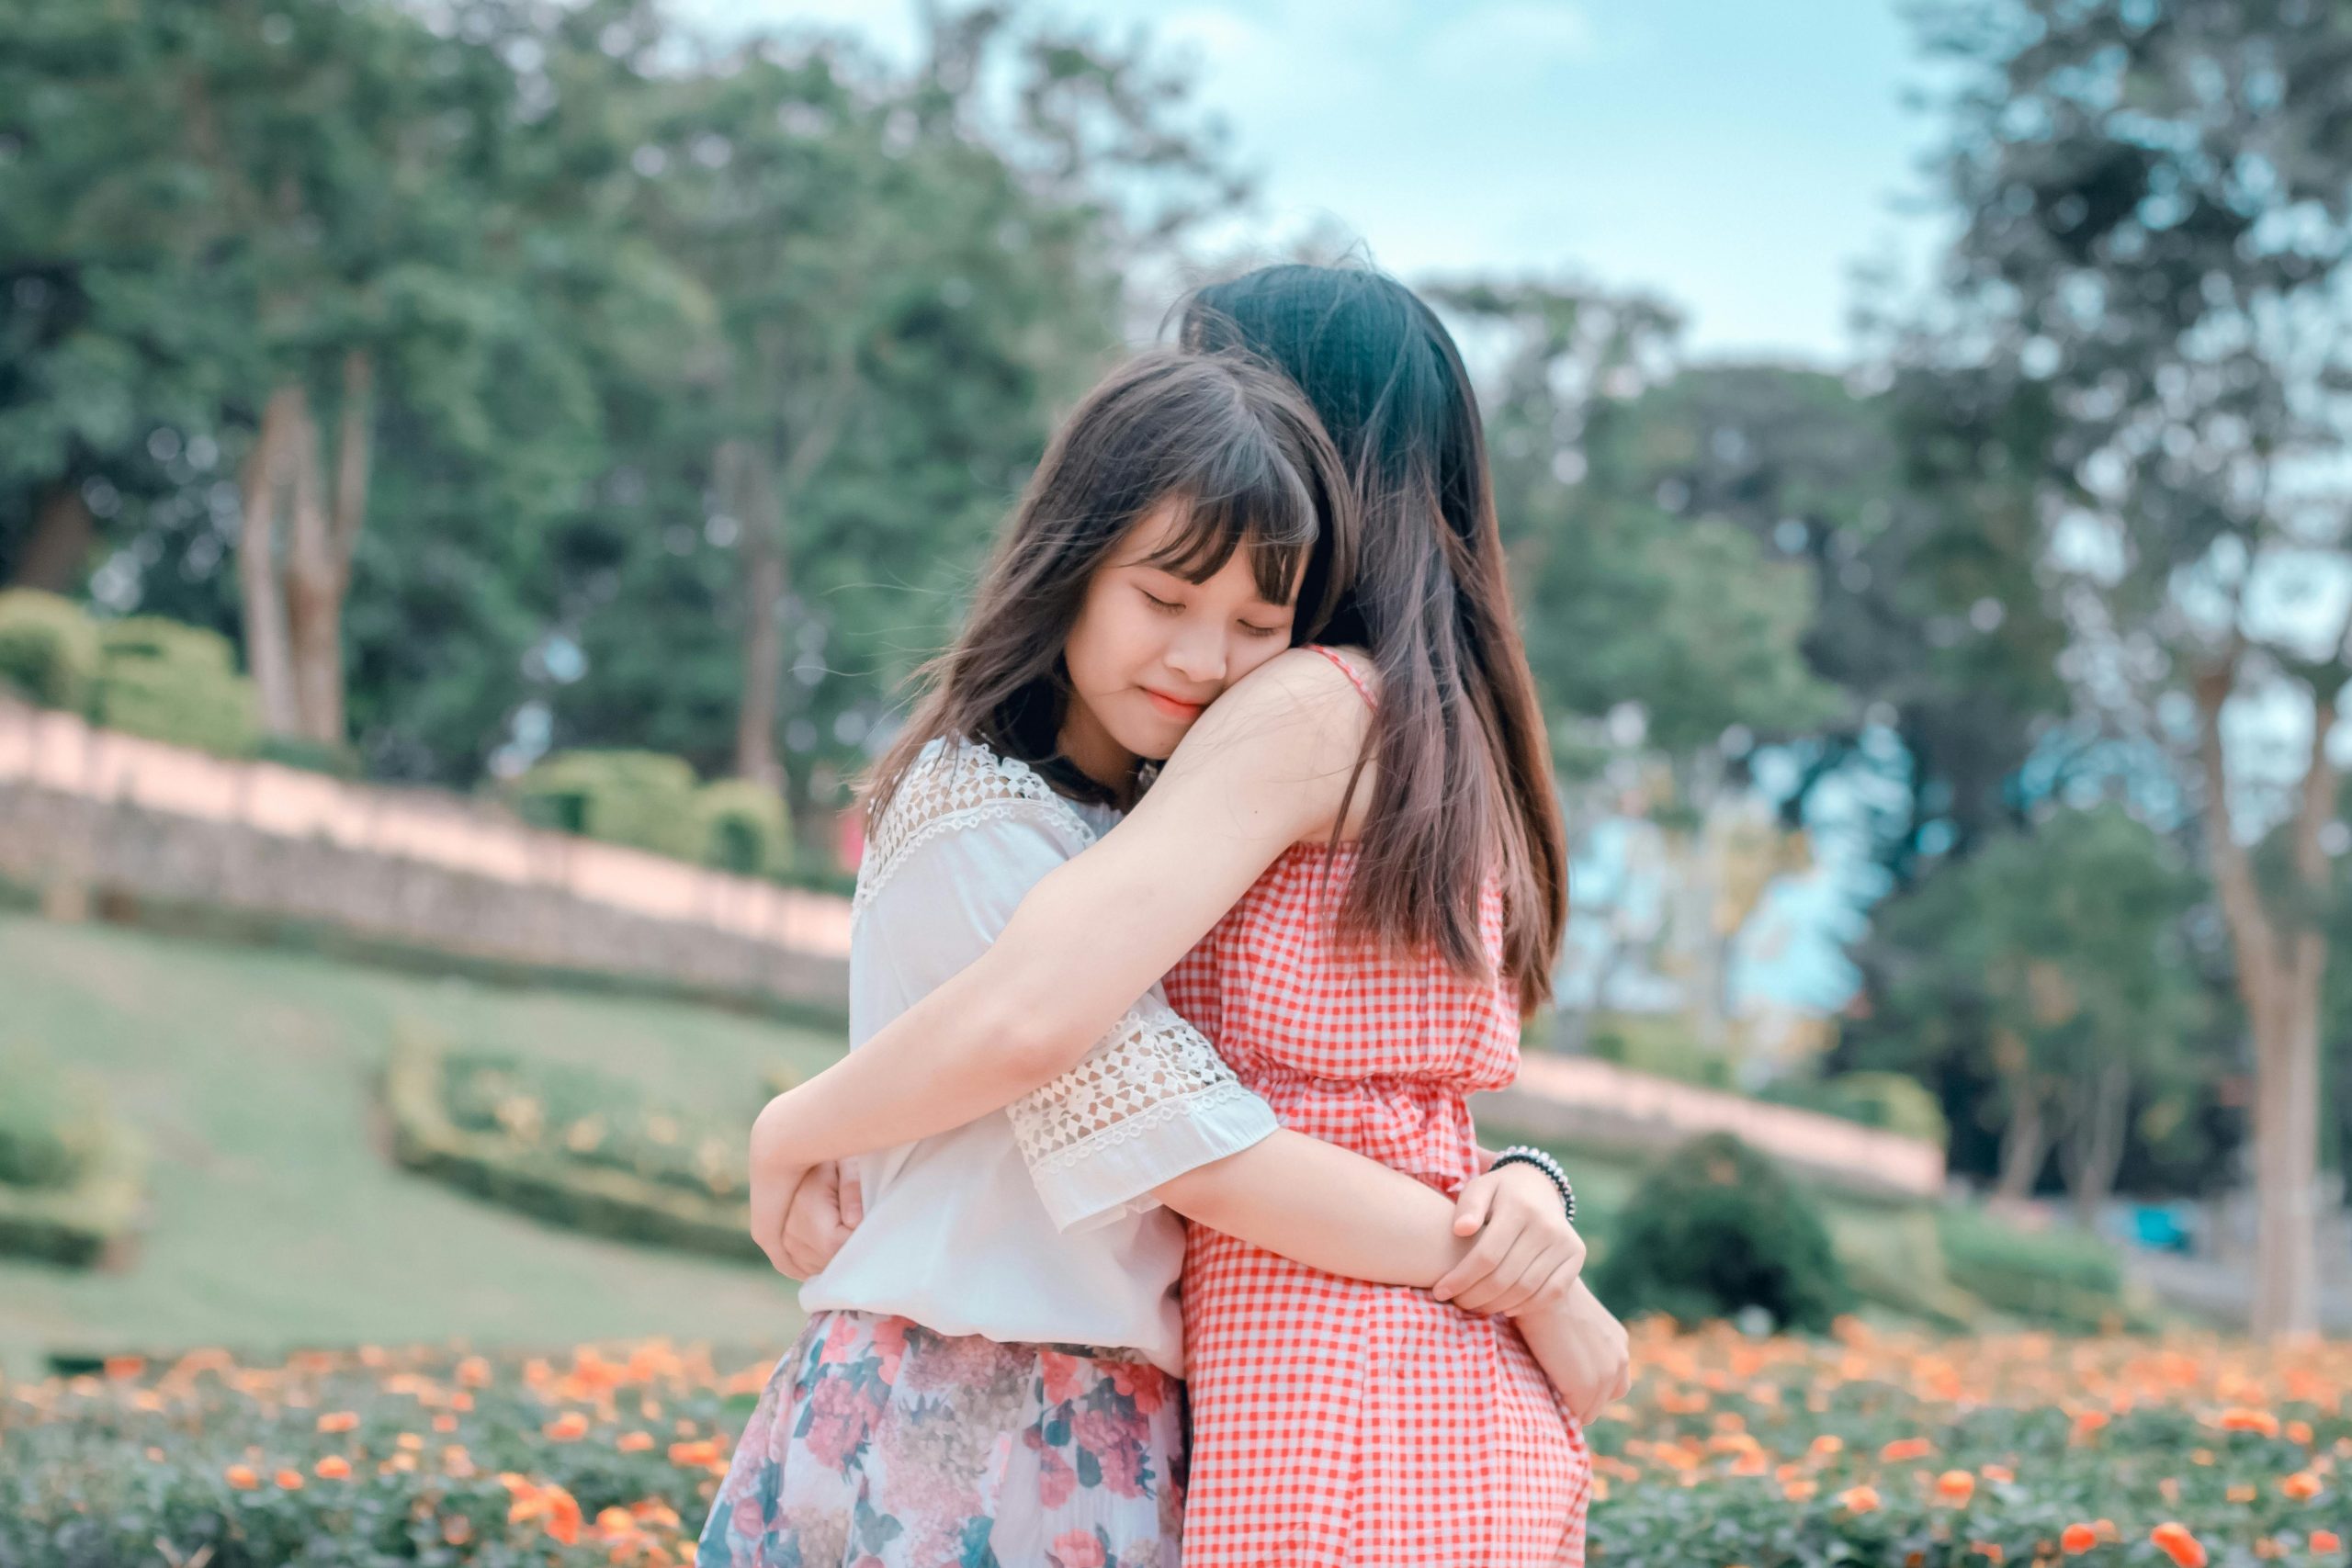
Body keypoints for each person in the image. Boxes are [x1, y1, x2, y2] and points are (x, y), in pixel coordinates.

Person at [750, 264, 1626, 1567]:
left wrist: (788, 1125)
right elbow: (1298, 1098)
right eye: (1163, 596)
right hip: (1326, 1387)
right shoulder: (1405, 725)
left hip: (1336, 1396)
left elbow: (1074, 1044)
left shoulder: (1311, 706)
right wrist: (1522, 1232)